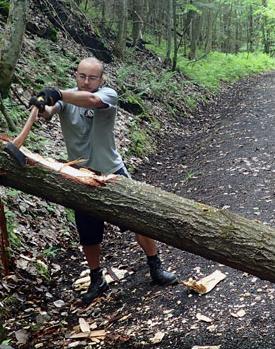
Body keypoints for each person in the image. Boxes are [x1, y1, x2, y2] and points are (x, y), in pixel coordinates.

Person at [31, 57, 177, 304]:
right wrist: (41, 105)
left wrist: (57, 93)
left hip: (112, 172)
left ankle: (155, 266)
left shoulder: (107, 95)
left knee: (138, 220)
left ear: (101, 79)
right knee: (88, 233)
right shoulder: (67, 101)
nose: (87, 82)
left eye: (92, 78)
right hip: (80, 175)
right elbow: (49, 112)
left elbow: (91, 100)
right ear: (76, 75)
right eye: (82, 76)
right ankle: (97, 278)